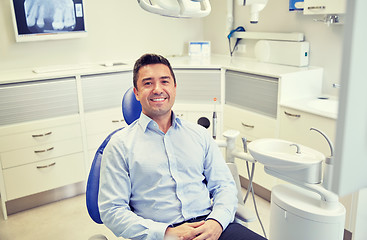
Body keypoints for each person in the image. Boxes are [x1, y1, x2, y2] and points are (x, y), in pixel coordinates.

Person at [98, 53, 266, 240]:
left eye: (164, 81)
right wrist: (167, 233)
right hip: (160, 233)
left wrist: (217, 222)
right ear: (136, 93)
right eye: (147, 83)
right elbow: (112, 210)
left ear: (175, 88)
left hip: (209, 226)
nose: (157, 89)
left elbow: (224, 186)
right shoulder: (119, 145)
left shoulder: (199, 135)